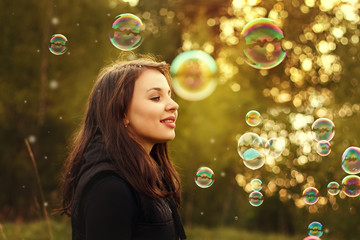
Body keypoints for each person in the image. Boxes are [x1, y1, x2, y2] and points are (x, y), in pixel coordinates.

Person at [59, 56, 187, 240]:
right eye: (156, 97)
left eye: (170, 95)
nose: (174, 105)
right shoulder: (110, 188)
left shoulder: (147, 176)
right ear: (122, 112)